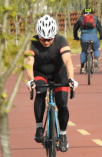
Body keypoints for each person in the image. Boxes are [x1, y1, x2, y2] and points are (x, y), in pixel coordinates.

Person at [25, 14, 78, 152]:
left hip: (58, 73)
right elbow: (29, 63)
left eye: (49, 39)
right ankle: (39, 127)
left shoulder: (61, 40)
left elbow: (67, 61)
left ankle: (63, 134)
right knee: (41, 92)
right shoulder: (31, 42)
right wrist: (31, 80)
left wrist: (71, 79)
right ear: (38, 36)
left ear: (54, 35)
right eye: (43, 39)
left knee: (62, 104)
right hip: (40, 72)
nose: (47, 42)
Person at [73, 8, 102, 74]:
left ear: (83, 12)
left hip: (84, 37)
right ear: (92, 12)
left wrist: (76, 37)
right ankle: (96, 60)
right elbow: (100, 29)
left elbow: (75, 29)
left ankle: (82, 68)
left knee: (84, 51)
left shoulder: (80, 19)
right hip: (94, 36)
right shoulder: (95, 18)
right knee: (96, 49)